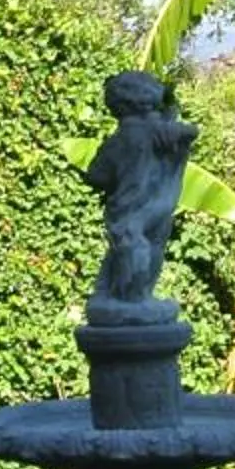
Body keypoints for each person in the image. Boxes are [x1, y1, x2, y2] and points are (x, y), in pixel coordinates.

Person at [84, 71, 194, 309]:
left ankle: (130, 300)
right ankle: (133, 299)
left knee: (129, 251)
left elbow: (96, 175)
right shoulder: (163, 132)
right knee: (147, 250)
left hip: (128, 208)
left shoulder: (121, 139)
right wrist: (168, 125)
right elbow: (190, 132)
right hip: (157, 207)